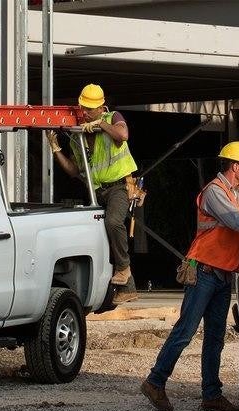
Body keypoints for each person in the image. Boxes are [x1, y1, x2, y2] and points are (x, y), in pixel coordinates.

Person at [139, 141, 239, 411]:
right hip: (205, 271)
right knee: (185, 332)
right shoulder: (214, 192)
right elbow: (236, 220)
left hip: (221, 275)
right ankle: (155, 381)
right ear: (235, 167)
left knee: (215, 336)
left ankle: (211, 394)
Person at [46, 84, 139, 304]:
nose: (85, 112)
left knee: (114, 222)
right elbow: (74, 171)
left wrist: (101, 124)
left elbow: (122, 134)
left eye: (89, 108)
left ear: (100, 107)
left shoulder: (112, 117)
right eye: (83, 107)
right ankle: (124, 289)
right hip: (97, 190)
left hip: (119, 186)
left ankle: (124, 268)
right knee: (101, 234)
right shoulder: (79, 131)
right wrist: (56, 150)